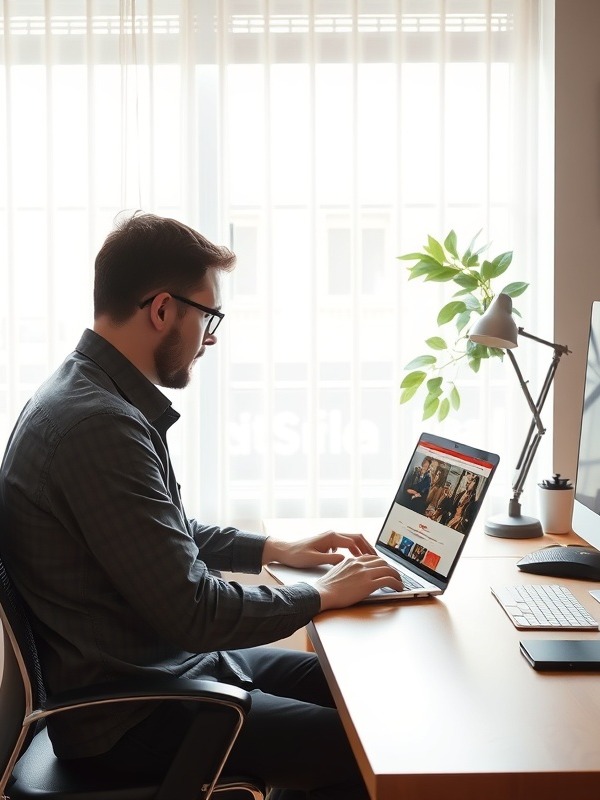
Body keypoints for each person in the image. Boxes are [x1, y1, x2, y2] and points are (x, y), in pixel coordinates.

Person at [0, 212, 403, 799]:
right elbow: (192, 610)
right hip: (137, 714)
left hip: (169, 670)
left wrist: (275, 548)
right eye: (208, 316)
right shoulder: (97, 425)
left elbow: (161, 532)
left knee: (360, 692)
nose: (210, 338)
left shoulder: (90, 394)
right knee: (375, 750)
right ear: (162, 309)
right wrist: (320, 595)